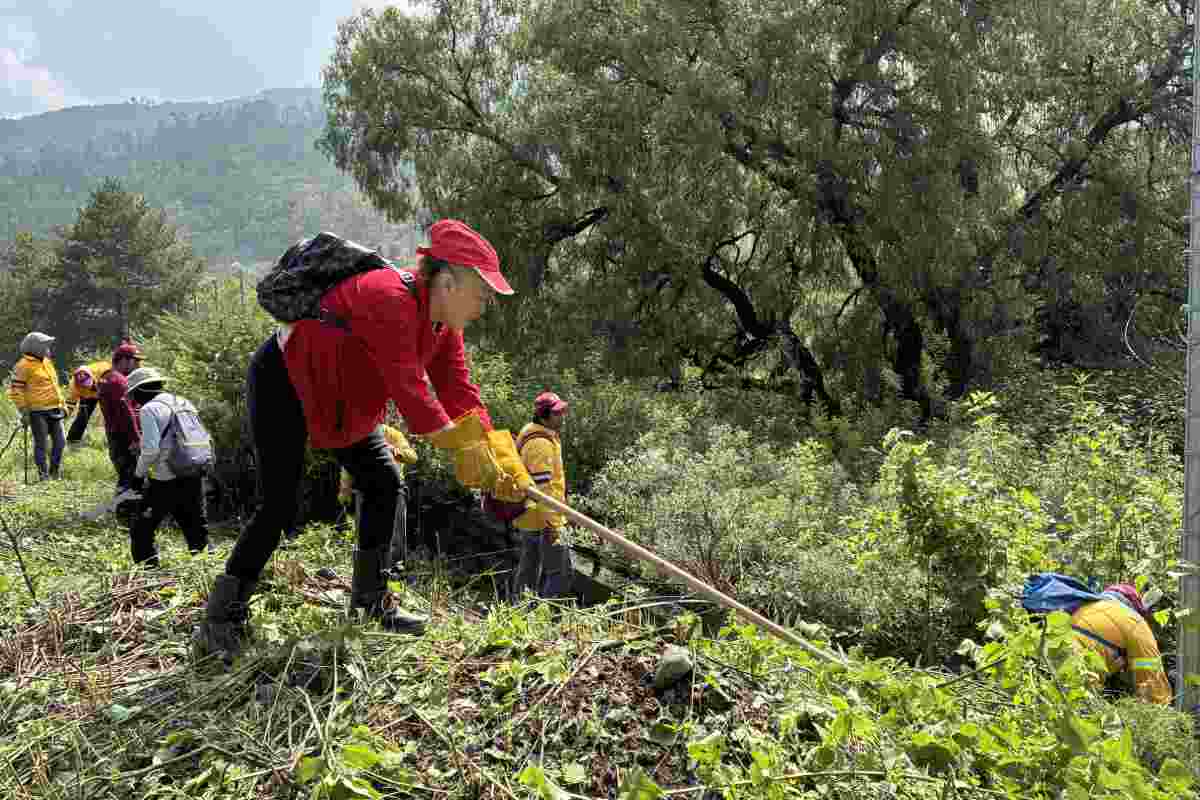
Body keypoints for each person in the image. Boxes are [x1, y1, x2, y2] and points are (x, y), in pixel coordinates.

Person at [195, 219, 532, 662]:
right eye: (482, 293)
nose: (486, 304)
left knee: (384, 483)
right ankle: (220, 619)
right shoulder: (387, 296)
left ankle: (371, 604)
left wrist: (497, 454)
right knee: (279, 506)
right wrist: (462, 450)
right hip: (288, 384)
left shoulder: (444, 328)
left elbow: (458, 392)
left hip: (343, 402)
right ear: (448, 283)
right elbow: (412, 392)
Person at [125, 367, 211, 566]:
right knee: (196, 527)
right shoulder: (184, 402)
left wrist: (138, 476)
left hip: (165, 478)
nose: (134, 400)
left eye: (133, 395)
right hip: (193, 471)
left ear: (140, 390)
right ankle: (205, 571)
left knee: (142, 528)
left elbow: (151, 451)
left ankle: (149, 575)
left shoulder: (149, 409)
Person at [511, 391, 575, 600]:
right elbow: (542, 490)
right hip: (543, 519)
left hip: (532, 518)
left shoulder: (538, 433)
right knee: (560, 573)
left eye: (562, 412)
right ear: (544, 416)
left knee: (530, 569)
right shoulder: (540, 444)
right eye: (557, 413)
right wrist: (553, 525)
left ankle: (520, 610)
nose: (562, 417)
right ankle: (547, 617)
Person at [1071, 583, 1172, 705]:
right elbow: (1150, 672)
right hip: (1081, 677)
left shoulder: (1086, 608)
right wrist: (1159, 707)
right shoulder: (1134, 622)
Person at [337, 423, 418, 570]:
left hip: (394, 490)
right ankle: (369, 571)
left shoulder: (393, 434)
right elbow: (347, 468)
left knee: (395, 532)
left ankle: (394, 570)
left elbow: (412, 456)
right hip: (364, 490)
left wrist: (392, 451)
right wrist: (345, 494)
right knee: (364, 533)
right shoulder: (358, 433)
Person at [8, 332, 67, 480]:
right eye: (45, 345)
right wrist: (23, 410)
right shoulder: (23, 366)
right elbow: (16, 390)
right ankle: (44, 476)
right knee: (41, 444)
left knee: (60, 442)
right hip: (37, 412)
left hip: (55, 408)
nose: (48, 348)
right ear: (35, 347)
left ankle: (54, 472)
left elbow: (55, 386)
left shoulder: (47, 362)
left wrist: (63, 405)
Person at [98, 341, 145, 494]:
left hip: (116, 434)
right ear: (124, 360)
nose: (138, 366)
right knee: (129, 477)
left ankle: (125, 511)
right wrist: (136, 439)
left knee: (126, 475)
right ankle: (124, 513)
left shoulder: (108, 377)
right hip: (124, 437)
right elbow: (126, 413)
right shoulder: (119, 381)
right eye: (135, 361)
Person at [65, 358, 113, 447]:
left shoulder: (103, 369)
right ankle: (73, 440)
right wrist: (64, 415)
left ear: (91, 376)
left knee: (111, 416)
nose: (88, 387)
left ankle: (113, 440)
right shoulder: (74, 386)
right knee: (82, 417)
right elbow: (70, 404)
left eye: (88, 384)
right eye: (84, 385)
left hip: (105, 390)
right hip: (87, 397)